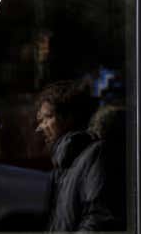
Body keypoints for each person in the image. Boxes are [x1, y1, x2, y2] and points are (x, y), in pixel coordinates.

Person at [35, 80, 123, 232]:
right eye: (40, 121)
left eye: (47, 118)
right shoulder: (63, 165)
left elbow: (98, 219)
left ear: (68, 117)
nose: (40, 127)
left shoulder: (94, 155)